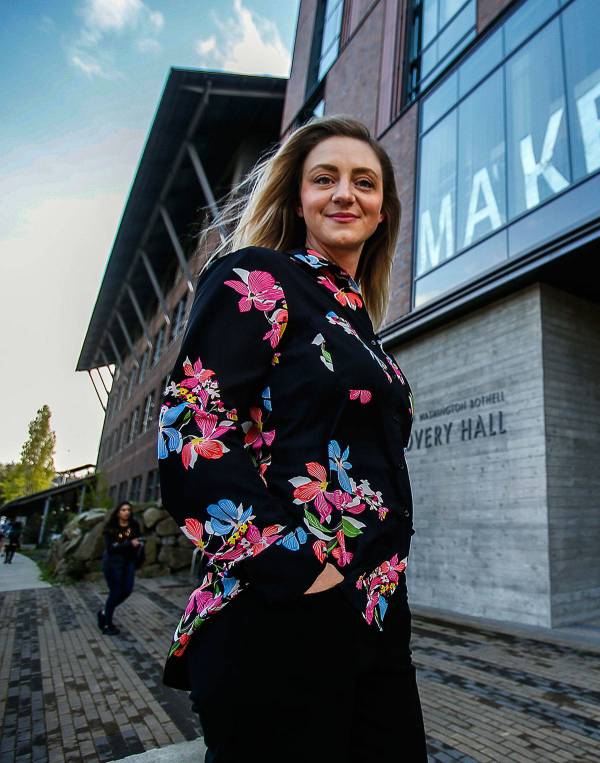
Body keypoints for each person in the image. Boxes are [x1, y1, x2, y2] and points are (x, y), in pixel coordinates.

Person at [156, 115, 425, 761]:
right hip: (281, 611)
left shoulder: (362, 328)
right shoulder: (262, 279)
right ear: (298, 197)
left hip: (377, 617)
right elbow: (193, 425)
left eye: (364, 182)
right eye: (324, 178)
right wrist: (303, 572)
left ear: (383, 209)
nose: (344, 193)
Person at [99, 501, 144, 635]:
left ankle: (104, 612)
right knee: (116, 591)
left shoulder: (134, 525)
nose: (126, 512)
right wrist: (129, 543)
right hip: (112, 563)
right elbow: (111, 548)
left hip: (128, 562)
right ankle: (107, 624)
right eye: (123, 510)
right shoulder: (110, 528)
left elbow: (138, 540)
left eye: (128, 509)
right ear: (118, 512)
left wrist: (139, 544)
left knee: (127, 590)